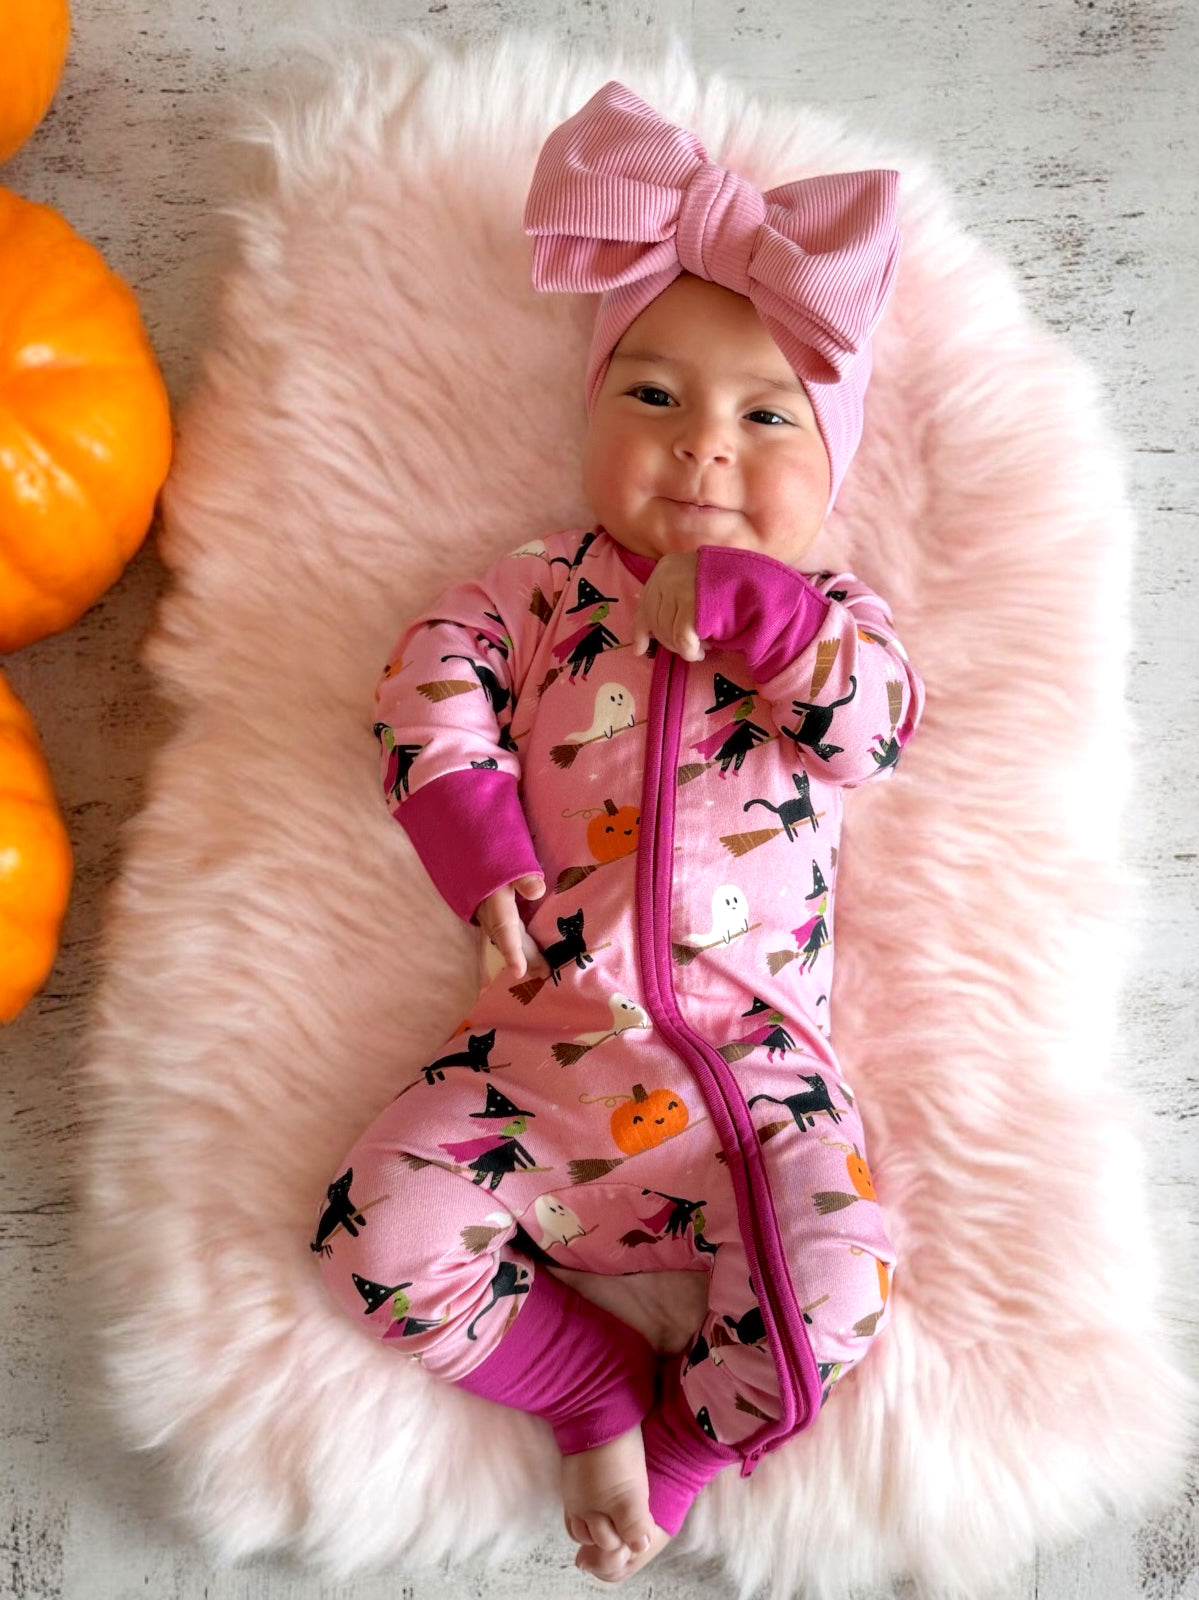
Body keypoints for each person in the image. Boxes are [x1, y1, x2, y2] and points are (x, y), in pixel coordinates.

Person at [312, 80, 924, 1583]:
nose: (701, 448)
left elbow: (878, 726)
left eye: (764, 417)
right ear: (590, 413)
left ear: (825, 468)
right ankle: (585, 1382)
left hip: (760, 1098)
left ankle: (692, 1435)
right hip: (539, 1065)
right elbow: (424, 694)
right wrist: (484, 849)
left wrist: (770, 625)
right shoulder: (533, 593)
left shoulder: (832, 619)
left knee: (847, 1297)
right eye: (649, 396)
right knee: (370, 1239)